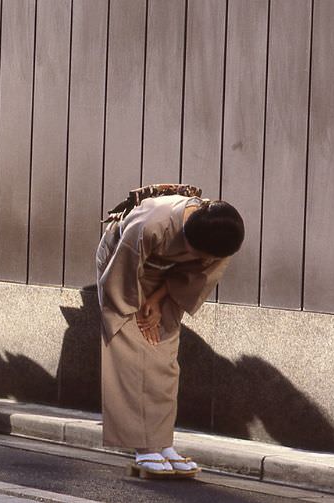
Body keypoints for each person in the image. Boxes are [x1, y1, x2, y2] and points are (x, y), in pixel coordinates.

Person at [95, 185, 244, 477]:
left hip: (166, 280)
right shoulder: (151, 222)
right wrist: (138, 308)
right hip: (123, 267)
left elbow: (197, 273)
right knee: (130, 351)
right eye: (195, 250)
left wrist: (157, 299)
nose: (200, 256)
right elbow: (122, 273)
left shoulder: (222, 238)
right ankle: (142, 447)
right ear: (187, 231)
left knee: (164, 356)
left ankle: (162, 443)